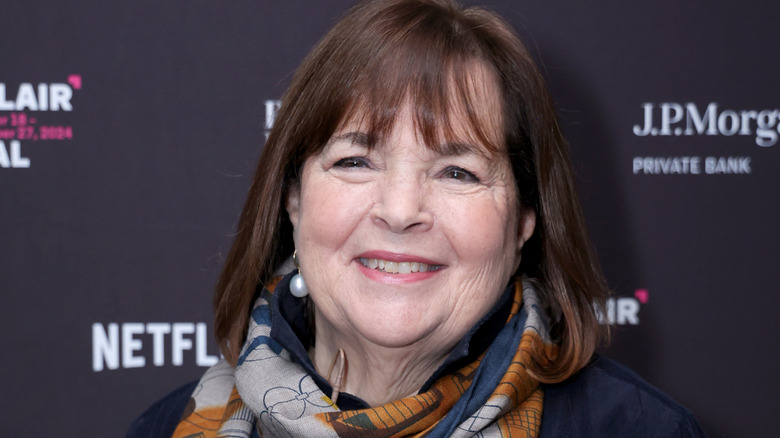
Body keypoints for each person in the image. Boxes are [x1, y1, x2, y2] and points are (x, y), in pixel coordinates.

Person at [128, 0, 707, 436]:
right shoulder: (166, 429)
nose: (401, 211)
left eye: (457, 172)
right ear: (293, 198)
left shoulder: (639, 430)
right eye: (356, 161)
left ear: (525, 219)